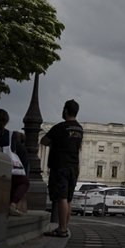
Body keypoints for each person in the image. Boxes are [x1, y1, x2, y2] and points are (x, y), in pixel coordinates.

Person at [41, 99, 83, 238]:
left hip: (60, 165)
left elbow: (44, 141)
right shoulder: (79, 129)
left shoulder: (60, 127)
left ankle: (61, 229)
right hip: (74, 166)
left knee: (61, 198)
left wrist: (55, 143)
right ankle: (65, 227)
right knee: (68, 199)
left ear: (65, 110)